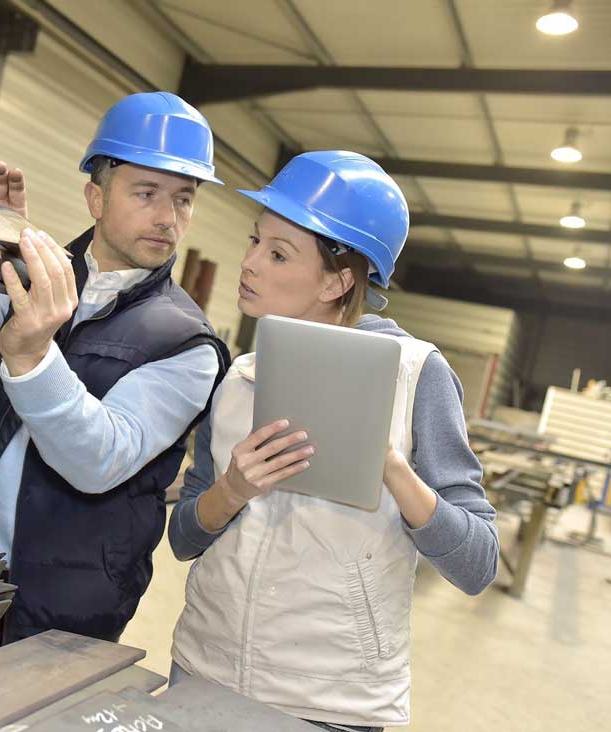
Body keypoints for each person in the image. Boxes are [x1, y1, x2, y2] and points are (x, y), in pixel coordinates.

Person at [0, 92, 230, 688]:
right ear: (96, 195)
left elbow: (99, 459)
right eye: (147, 193)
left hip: (59, 610)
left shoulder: (187, 343)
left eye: (184, 200)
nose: (169, 218)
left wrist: (33, 356)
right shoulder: (33, 268)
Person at [168, 151, 499, 731]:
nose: (248, 264)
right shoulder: (238, 378)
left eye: (277, 254)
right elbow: (184, 537)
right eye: (254, 242)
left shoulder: (415, 375)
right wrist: (233, 489)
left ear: (339, 280)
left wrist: (392, 468)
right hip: (202, 670)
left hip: (332, 708)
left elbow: (477, 563)